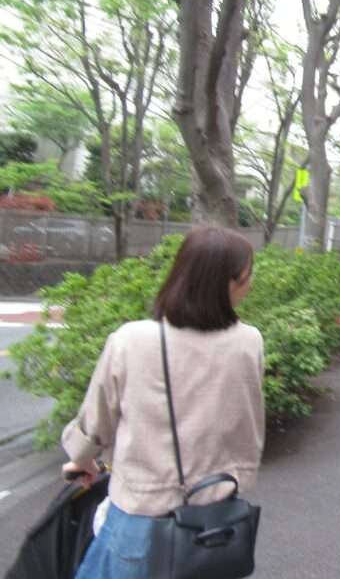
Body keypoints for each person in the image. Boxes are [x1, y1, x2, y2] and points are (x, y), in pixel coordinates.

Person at [61, 226, 265, 579]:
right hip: (214, 526)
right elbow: (246, 423)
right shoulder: (249, 342)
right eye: (247, 275)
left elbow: (96, 423)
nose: (250, 284)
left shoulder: (132, 340)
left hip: (140, 517)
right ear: (226, 283)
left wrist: (81, 460)